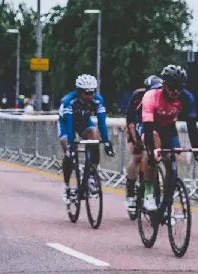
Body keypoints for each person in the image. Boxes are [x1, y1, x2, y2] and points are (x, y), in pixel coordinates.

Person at [140, 65, 198, 211]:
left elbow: (191, 126)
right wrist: (152, 152)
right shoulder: (151, 96)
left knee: (172, 161)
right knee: (153, 153)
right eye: (171, 87)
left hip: (168, 128)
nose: (175, 92)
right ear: (164, 84)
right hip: (150, 126)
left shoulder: (187, 97)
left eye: (179, 88)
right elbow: (148, 127)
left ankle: (167, 203)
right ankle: (149, 193)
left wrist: (197, 151)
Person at [58, 74, 114, 204]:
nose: (90, 96)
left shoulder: (98, 100)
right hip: (67, 123)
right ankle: (66, 186)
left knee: (95, 134)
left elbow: (101, 122)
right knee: (67, 149)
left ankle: (90, 174)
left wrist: (106, 141)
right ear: (79, 92)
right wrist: (71, 144)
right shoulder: (69, 101)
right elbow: (70, 124)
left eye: (92, 92)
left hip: (84, 122)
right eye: (87, 93)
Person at [123, 75, 163, 214]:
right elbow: (130, 119)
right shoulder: (138, 95)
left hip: (151, 124)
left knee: (155, 152)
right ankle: (130, 194)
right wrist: (135, 141)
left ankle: (154, 190)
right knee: (137, 155)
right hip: (136, 124)